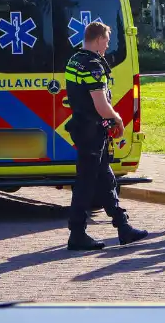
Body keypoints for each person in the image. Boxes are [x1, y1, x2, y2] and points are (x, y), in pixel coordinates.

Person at [63, 22, 149, 251]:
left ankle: (123, 227)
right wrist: (117, 118)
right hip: (92, 130)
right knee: (86, 182)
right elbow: (100, 104)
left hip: (85, 128)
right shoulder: (92, 65)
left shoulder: (74, 60)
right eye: (107, 40)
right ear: (99, 39)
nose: (108, 45)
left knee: (105, 178)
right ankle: (77, 233)